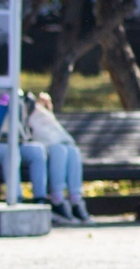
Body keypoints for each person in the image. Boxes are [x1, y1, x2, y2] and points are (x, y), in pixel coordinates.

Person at [24, 91, 93, 225]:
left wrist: (43, 106)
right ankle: (57, 200)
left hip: (50, 145)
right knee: (58, 150)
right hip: (40, 147)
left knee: (73, 151)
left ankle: (76, 201)